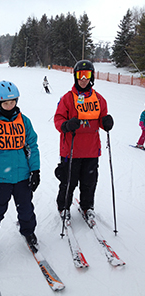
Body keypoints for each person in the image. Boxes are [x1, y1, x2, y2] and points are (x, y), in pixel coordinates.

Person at [0, 80, 40, 266]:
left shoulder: (24, 121)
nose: (10, 106)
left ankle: (28, 231)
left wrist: (35, 170)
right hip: (0, 179)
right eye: (6, 103)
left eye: (13, 101)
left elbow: (32, 146)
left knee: (26, 209)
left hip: (22, 176)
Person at [54, 60, 114, 222]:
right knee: (68, 182)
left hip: (91, 150)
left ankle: (87, 206)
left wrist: (106, 123)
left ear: (91, 77)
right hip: (71, 149)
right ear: (75, 77)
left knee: (89, 182)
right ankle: (64, 207)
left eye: (87, 75)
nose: (83, 79)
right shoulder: (67, 98)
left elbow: (102, 120)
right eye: (80, 75)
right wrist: (66, 125)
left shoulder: (99, 99)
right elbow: (58, 119)